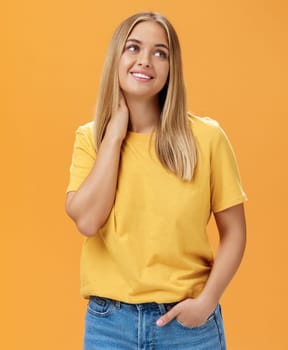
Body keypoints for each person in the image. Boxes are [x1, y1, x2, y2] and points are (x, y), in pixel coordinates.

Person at [64, 12, 247, 349]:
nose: (145, 60)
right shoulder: (91, 139)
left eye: (160, 52)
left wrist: (206, 303)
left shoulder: (207, 138)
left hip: (188, 329)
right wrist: (115, 136)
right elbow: (88, 221)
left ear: (171, 67)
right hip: (110, 327)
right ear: (116, 57)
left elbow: (235, 232)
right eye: (133, 48)